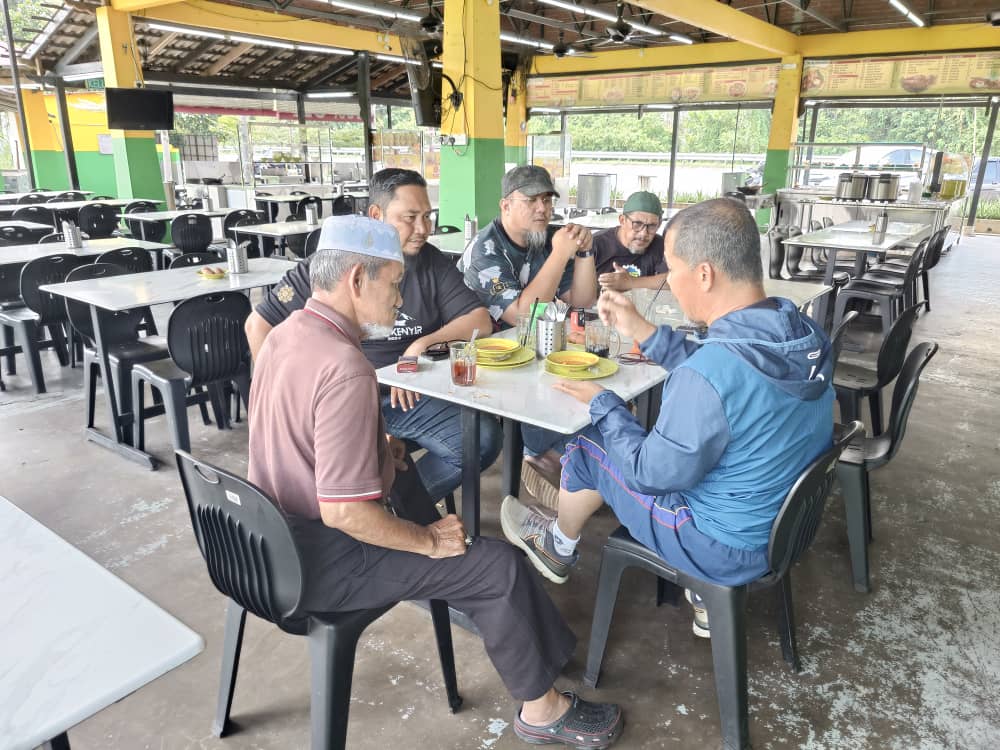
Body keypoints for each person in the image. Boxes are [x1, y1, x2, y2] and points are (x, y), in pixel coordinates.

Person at [249, 215, 624, 748]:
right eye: (394, 284)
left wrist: (377, 449)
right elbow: (345, 513)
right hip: (321, 560)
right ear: (356, 280)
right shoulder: (345, 366)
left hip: (268, 540)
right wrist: (426, 541)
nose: (400, 302)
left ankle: (544, 660)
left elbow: (295, 434)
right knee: (496, 566)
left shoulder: (284, 336)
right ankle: (542, 709)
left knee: (422, 498)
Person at [501, 198, 835, 637]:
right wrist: (643, 331)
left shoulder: (710, 375)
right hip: (784, 525)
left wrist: (604, 403)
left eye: (673, 270)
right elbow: (730, 372)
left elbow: (649, 474)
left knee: (586, 447)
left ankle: (557, 546)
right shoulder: (801, 333)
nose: (669, 284)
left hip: (721, 545)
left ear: (704, 274)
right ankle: (702, 597)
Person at [245, 168, 502, 503]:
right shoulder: (333, 265)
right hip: (343, 396)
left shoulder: (430, 262)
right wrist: (283, 400)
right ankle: (380, 509)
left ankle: (399, 504)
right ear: (376, 215)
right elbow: (258, 326)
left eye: (428, 216)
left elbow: (479, 320)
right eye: (410, 217)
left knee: (481, 439)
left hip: (406, 396)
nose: (423, 229)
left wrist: (419, 346)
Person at [459, 165, 598, 507]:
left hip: (531, 352)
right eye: (532, 200)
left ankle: (557, 456)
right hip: (482, 361)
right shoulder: (486, 251)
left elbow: (582, 300)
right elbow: (520, 316)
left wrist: (584, 253)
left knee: (586, 389)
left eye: (548, 199)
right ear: (505, 206)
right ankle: (539, 451)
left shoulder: (546, 238)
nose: (543, 208)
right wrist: (561, 252)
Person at [592, 191, 669, 292]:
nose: (643, 234)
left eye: (652, 226)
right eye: (637, 224)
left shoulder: (661, 246)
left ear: (659, 225)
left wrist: (630, 283)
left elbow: (675, 281)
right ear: (622, 220)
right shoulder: (596, 244)